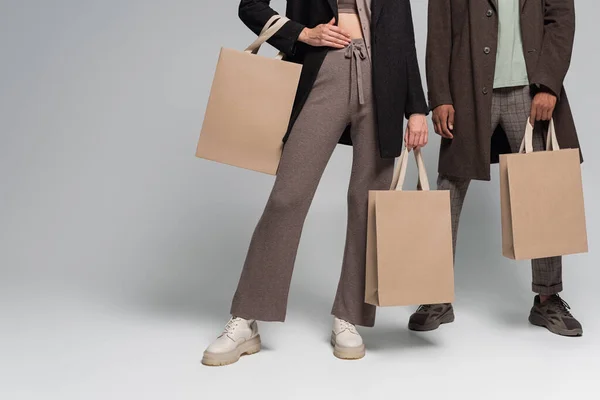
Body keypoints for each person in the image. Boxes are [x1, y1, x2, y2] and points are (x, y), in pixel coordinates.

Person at [202, 0, 429, 366]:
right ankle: (246, 319)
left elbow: (404, 37)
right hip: (325, 70)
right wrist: (303, 33)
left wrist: (417, 108)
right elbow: (251, 6)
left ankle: (348, 315)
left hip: (383, 81)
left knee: (367, 202)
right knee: (287, 198)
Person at [411, 0, 583, 337]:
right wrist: (441, 95)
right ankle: (435, 297)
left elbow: (561, 18)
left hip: (528, 88)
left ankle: (547, 298)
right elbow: (440, 29)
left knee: (542, 189)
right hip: (467, 91)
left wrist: (548, 84)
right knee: (449, 188)